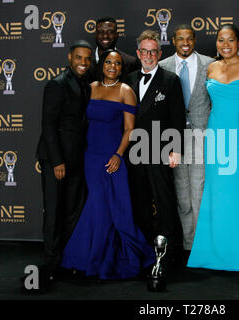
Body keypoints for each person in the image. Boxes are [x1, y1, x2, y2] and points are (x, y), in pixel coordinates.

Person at [60, 50, 155, 280]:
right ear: (102, 65)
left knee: (110, 207)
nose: (113, 66)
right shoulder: (90, 87)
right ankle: (92, 257)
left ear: (122, 68)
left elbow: (129, 129)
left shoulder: (126, 91)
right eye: (109, 62)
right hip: (91, 157)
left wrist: (118, 155)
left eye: (118, 63)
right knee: (98, 204)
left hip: (113, 156)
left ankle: (95, 258)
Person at [187, 24, 239, 274]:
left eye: (230, 40)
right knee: (217, 194)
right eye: (221, 40)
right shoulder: (211, 67)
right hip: (217, 137)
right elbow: (201, 105)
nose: (225, 45)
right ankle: (216, 251)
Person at [126, 30, 186, 271]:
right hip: (134, 152)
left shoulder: (170, 80)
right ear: (138, 53)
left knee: (165, 202)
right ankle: (143, 250)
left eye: (154, 51)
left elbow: (178, 117)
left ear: (160, 54)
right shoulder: (128, 79)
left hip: (160, 149)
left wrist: (176, 149)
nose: (149, 55)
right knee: (139, 202)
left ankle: (169, 253)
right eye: (145, 51)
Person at [36, 40, 93, 280]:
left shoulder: (86, 86)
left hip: (77, 158)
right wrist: (57, 161)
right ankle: (50, 263)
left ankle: (67, 260)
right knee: (54, 211)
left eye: (87, 59)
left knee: (73, 211)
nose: (83, 63)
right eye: (79, 58)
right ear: (70, 58)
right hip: (56, 160)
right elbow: (48, 125)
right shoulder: (56, 84)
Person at [158, 24, 215, 261]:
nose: (185, 43)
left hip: (202, 135)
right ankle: (188, 247)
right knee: (182, 195)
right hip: (175, 138)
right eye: (180, 39)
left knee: (199, 192)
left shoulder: (210, 63)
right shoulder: (163, 66)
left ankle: (201, 246)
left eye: (189, 39)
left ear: (195, 40)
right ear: (173, 40)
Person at [86, 16, 141, 83]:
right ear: (95, 34)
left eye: (110, 32)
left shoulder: (130, 63)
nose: (105, 36)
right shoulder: (85, 62)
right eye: (101, 32)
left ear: (116, 34)